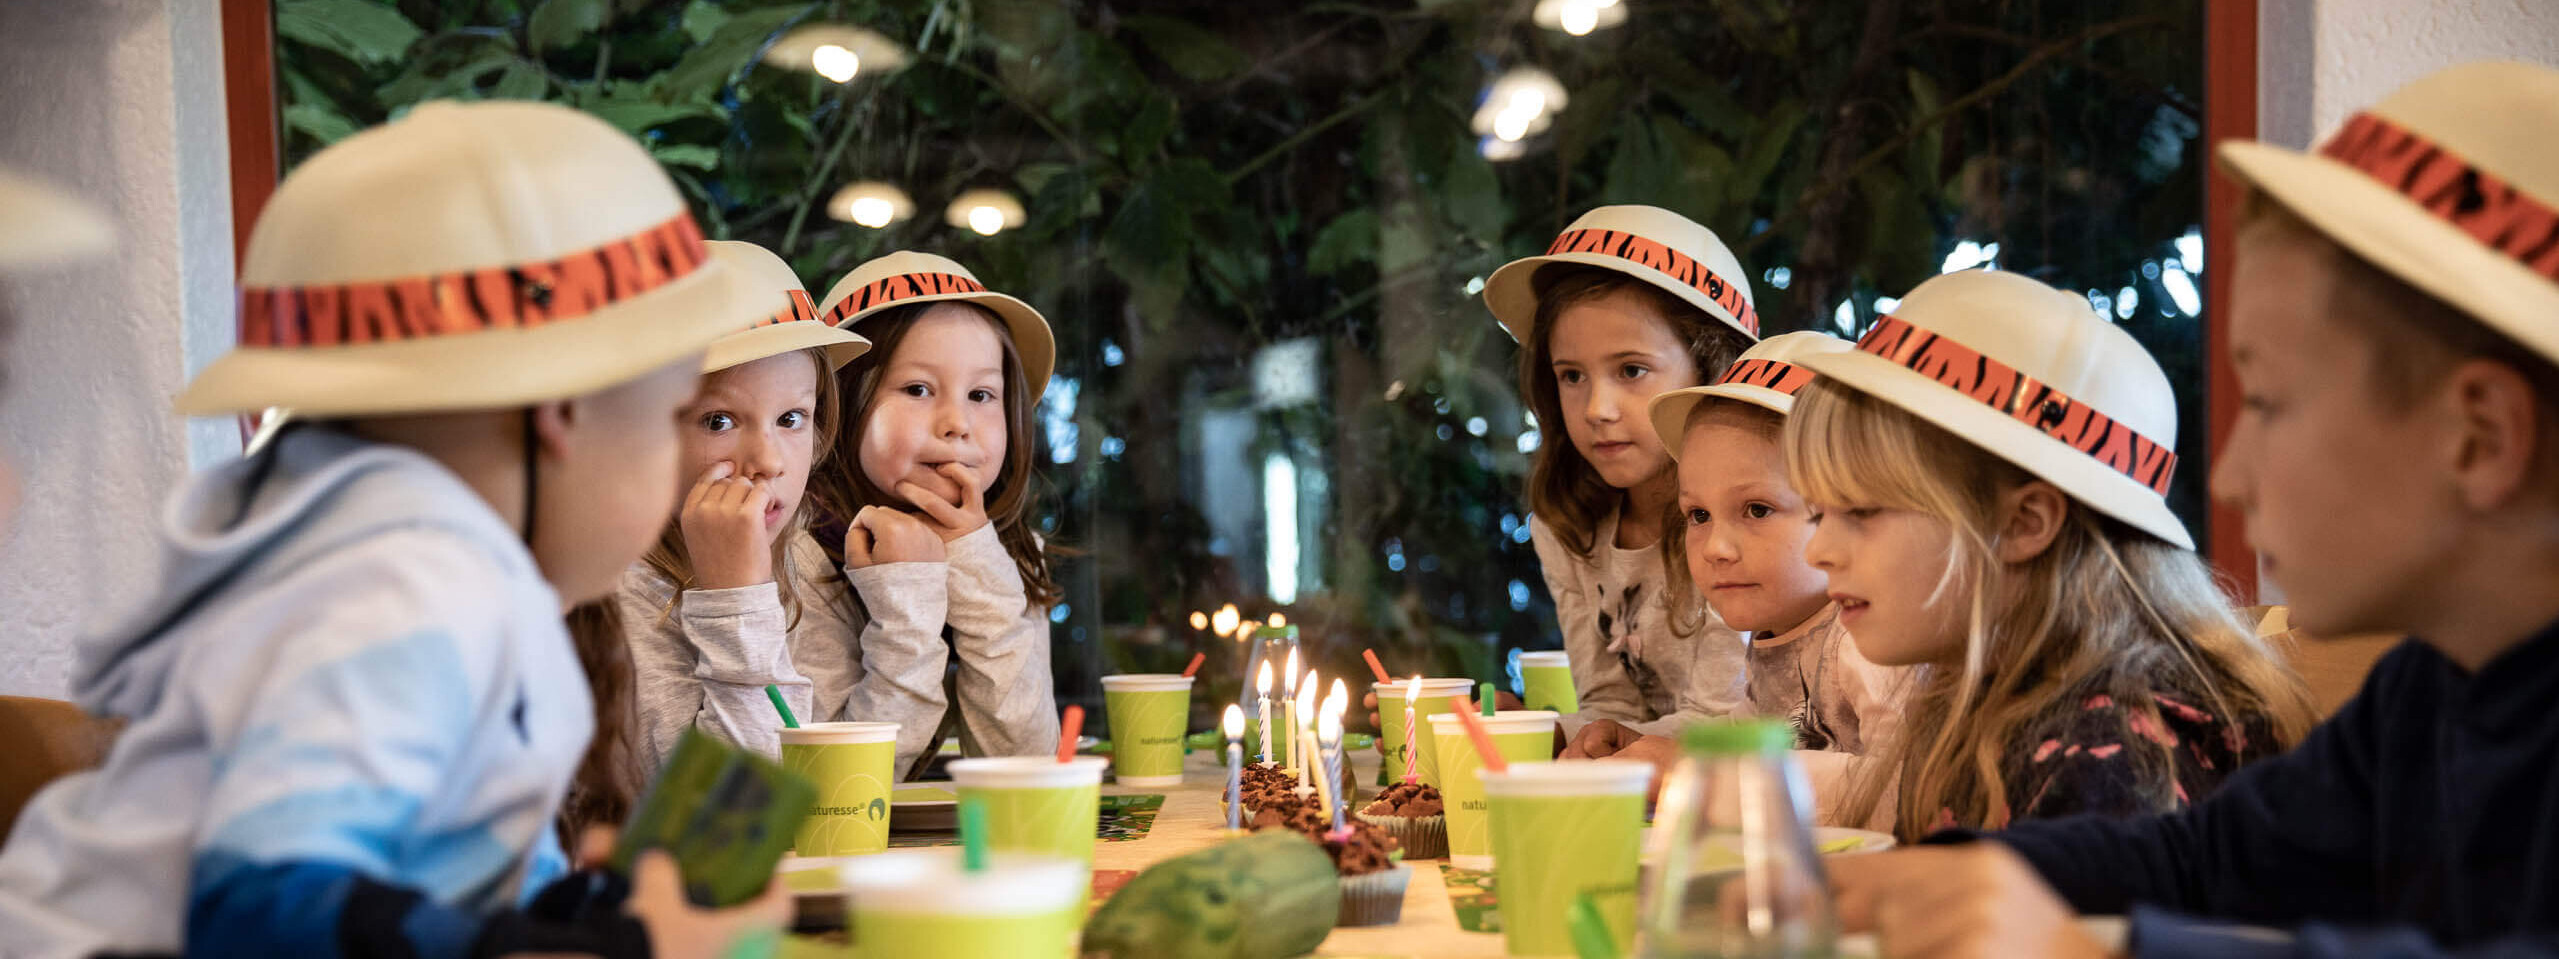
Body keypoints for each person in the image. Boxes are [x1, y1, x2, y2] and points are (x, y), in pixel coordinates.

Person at [0, 101, 785, 958]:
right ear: (563, 409)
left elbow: (425, 893)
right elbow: (258, 906)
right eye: (674, 413)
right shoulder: (399, 582)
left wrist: (573, 909)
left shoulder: (410, 568)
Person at [1827, 61, 2559, 957]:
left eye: (2271, 404)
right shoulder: (2436, 690)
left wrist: (2091, 950)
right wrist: (1950, 876)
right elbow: (2203, 859)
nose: (2229, 476)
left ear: (2478, 437)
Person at [1781, 269, 2314, 845]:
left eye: (1860, 512)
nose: (1820, 551)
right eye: (1817, 514)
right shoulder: (1981, 700)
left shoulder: (2108, 764)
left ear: (2023, 524)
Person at [1570, 333, 1909, 823]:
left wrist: (1696, 774)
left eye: (1757, 509)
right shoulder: (1780, 631)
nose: (1716, 548)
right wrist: (1651, 748)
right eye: (1698, 515)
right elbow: (1751, 728)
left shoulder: (1868, 642)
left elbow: (1906, 790)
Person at [1484, 205, 1761, 744]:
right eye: (1571, 376)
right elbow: (1611, 705)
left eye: (1631, 370)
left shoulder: (1744, 524)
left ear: (1713, 370)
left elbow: (1725, 721)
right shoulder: (1568, 525)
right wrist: (1526, 733)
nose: (1597, 409)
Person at [615, 241, 871, 773]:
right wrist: (736, 599)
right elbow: (731, 828)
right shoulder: (621, 592)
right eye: (719, 422)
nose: (767, 461)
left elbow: (843, 784)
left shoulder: (798, 558)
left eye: (792, 418)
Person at [805, 251, 1061, 778]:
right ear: (840, 405)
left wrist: (976, 565)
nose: (957, 423)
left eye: (982, 394)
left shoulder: (1009, 550)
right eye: (918, 389)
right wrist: (907, 595)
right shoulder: (800, 555)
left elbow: (1025, 771)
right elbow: (844, 789)